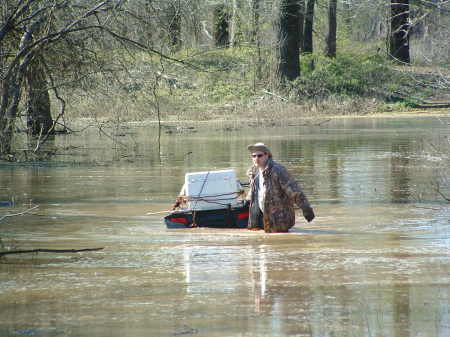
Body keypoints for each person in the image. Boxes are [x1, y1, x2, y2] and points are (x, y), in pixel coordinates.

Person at [246, 142, 315, 233]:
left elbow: (295, 192)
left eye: (259, 155)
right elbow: (253, 194)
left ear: (267, 155)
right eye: (253, 156)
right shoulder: (254, 173)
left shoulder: (278, 170)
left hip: (279, 221)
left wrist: (307, 210)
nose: (256, 159)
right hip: (262, 219)